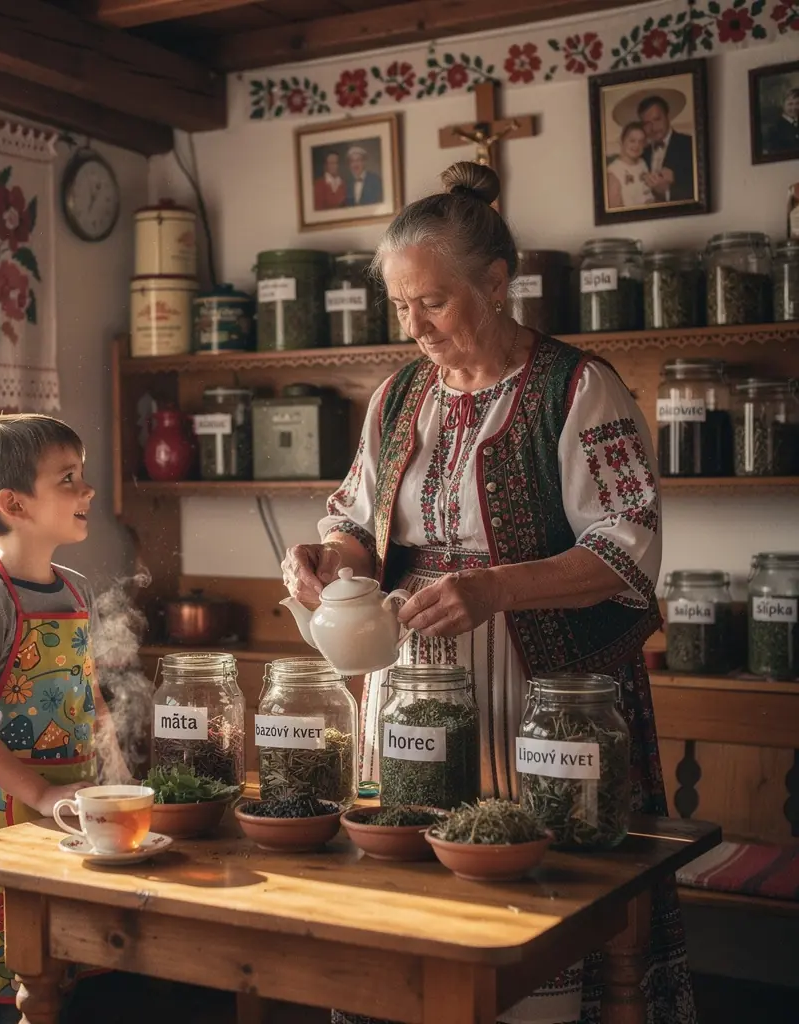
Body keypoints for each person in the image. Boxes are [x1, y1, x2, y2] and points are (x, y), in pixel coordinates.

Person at [281, 161, 695, 1024]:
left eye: (431, 301)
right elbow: (358, 522)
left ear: (497, 285)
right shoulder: (398, 397)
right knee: (409, 900)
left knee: (534, 911)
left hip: (542, 696)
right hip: (410, 683)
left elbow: (628, 550)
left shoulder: (578, 389)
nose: (414, 324)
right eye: (400, 305)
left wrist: (495, 588)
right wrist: (326, 562)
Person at [0, 413, 126, 1024]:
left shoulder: (74, 590)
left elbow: (85, 693)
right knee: (4, 982)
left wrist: (114, 763)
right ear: (14, 504)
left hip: (69, 804)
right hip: (7, 811)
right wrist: (41, 792)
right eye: (68, 478)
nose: (87, 490)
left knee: (64, 969)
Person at [638, 94, 694, 203]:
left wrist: (667, 192)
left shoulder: (690, 145)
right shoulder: (641, 154)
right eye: (647, 123)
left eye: (657, 119)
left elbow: (700, 190)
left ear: (668, 116)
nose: (653, 127)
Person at [606, 122, 656, 209]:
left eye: (641, 142)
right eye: (632, 141)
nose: (637, 145)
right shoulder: (614, 172)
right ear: (622, 141)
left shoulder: (643, 163)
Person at [764, 86, 799, 154]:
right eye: (790, 104)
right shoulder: (775, 129)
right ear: (783, 105)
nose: (794, 107)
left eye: (797, 103)